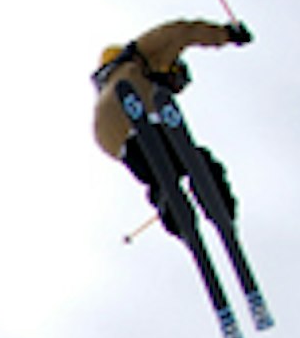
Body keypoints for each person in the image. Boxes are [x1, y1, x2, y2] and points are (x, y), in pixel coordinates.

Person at [92, 18, 252, 231]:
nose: (174, 86)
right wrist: (227, 34)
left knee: (161, 178)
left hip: (112, 138)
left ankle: (171, 209)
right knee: (199, 161)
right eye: (177, 79)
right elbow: (181, 32)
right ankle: (221, 206)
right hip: (137, 115)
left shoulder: (105, 88)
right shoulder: (141, 56)